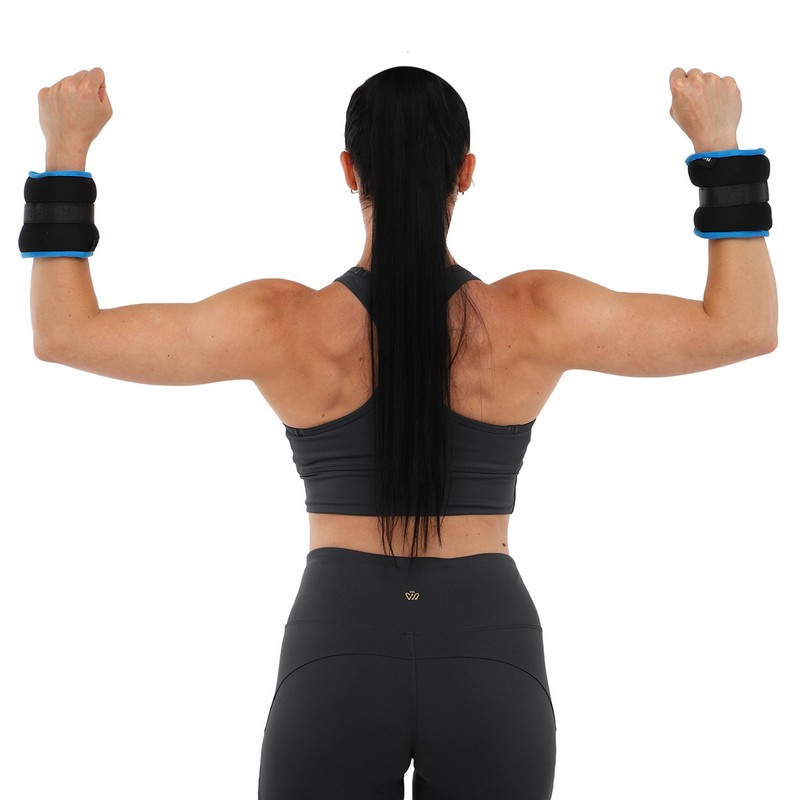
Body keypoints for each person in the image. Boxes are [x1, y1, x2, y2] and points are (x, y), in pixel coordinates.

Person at [25, 65, 777, 799]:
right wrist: (719, 146)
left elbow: (65, 334)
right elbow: (743, 328)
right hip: (490, 648)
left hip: (336, 646)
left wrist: (66, 151)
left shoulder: (280, 323)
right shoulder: (536, 314)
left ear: (350, 171)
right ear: (466, 172)